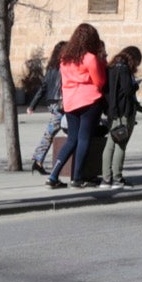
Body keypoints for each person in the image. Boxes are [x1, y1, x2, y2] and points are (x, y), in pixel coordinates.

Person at [46, 23, 107, 190]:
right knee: (84, 138)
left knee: (71, 139)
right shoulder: (90, 58)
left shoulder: (65, 58)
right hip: (89, 100)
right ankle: (78, 177)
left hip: (70, 102)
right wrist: (102, 63)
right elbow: (99, 81)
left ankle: (53, 176)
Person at [102, 46, 142, 189]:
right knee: (121, 144)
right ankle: (117, 178)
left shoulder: (111, 68)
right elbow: (127, 90)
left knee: (109, 145)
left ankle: (106, 179)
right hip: (123, 113)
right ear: (132, 58)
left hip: (112, 112)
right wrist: (136, 85)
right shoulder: (124, 69)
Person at [28, 40, 66, 174]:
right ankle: (38, 160)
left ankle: (38, 161)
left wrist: (32, 105)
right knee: (51, 132)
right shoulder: (64, 67)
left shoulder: (51, 68)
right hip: (61, 103)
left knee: (51, 132)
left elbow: (43, 87)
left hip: (52, 103)